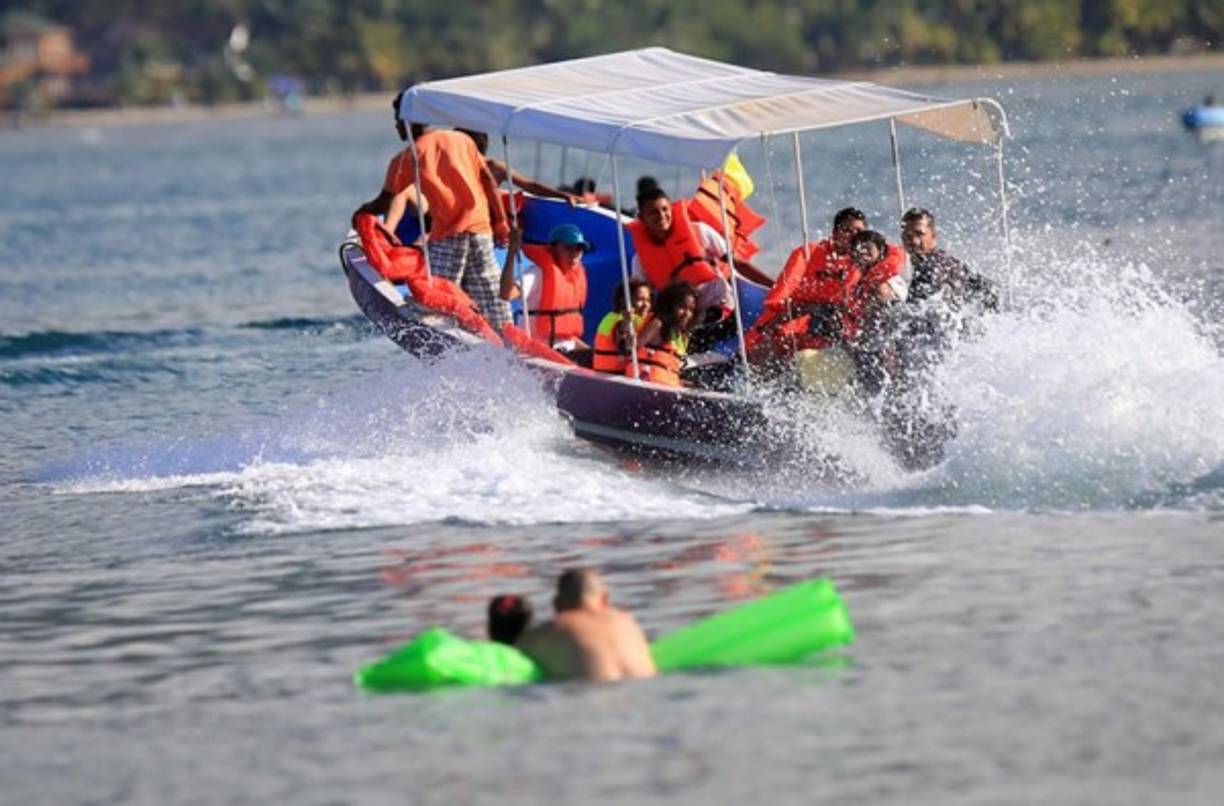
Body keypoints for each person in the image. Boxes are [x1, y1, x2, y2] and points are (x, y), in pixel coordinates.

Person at [353, 95, 512, 329]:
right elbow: (488, 181)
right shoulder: (462, 140)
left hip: (449, 235)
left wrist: (361, 213)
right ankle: (508, 343)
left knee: (436, 300)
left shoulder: (408, 157)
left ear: (409, 121)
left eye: (398, 120)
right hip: (481, 231)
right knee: (491, 299)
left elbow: (383, 202)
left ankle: (450, 345)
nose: (397, 126)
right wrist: (500, 222)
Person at [749, 207, 907, 365]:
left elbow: (896, 255)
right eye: (846, 230)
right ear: (834, 232)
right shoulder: (810, 253)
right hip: (820, 317)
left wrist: (868, 279)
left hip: (867, 328)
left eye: (858, 231)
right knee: (771, 342)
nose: (853, 236)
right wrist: (771, 327)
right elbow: (782, 298)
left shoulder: (874, 258)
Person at [627, 187, 771, 352]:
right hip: (680, 317)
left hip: (717, 308)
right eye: (653, 213)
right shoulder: (640, 260)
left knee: (686, 335)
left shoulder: (700, 232)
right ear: (642, 218)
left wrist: (774, 285)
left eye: (665, 209)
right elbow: (641, 299)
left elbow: (738, 264)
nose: (662, 216)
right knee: (659, 330)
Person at [515, 568, 657, 683]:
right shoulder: (627, 622)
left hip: (591, 699)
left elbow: (513, 654)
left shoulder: (556, 628)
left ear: (556, 604)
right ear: (605, 599)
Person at [499, 222, 591, 353]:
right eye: (568, 248)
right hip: (539, 351)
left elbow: (567, 337)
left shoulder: (574, 277)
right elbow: (506, 294)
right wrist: (511, 253)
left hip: (567, 348)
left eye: (578, 249)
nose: (574, 254)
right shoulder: (537, 273)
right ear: (552, 249)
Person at [900, 208, 998, 312]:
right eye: (908, 235)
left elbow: (914, 312)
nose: (913, 241)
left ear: (933, 236)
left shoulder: (931, 268)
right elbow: (990, 289)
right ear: (902, 237)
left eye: (920, 234)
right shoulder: (947, 261)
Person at [458, 129, 581, 204]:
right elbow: (530, 186)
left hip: (479, 225)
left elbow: (531, 186)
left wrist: (564, 196)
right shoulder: (492, 167)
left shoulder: (494, 167)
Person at [626, 282, 697, 387]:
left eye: (691, 310)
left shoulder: (682, 335)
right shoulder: (658, 324)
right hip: (646, 382)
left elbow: (669, 367)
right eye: (682, 307)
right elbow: (633, 345)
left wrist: (679, 382)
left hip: (667, 384)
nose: (687, 313)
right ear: (670, 305)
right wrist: (627, 326)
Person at [592, 279, 652, 374]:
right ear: (624, 301)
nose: (646, 305)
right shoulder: (611, 320)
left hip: (625, 375)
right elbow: (620, 332)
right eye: (640, 299)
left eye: (648, 300)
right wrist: (626, 322)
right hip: (608, 378)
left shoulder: (640, 320)